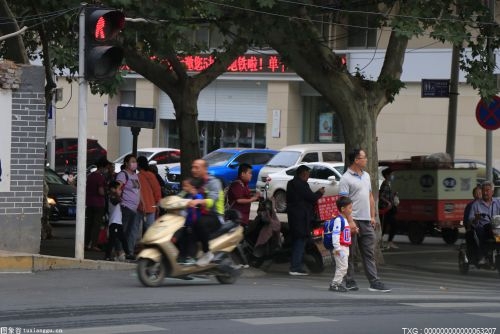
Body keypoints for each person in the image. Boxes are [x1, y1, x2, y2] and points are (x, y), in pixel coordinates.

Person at [339, 148, 391, 292]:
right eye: (364, 157)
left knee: (369, 252)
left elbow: (370, 197)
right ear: (356, 160)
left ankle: (374, 281)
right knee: (350, 252)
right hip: (352, 220)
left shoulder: (366, 176)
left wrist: (372, 216)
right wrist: (349, 221)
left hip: (366, 221)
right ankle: (349, 280)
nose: (366, 159)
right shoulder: (345, 178)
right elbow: (342, 203)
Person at [286, 164, 325, 276]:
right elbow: (311, 197)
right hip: (301, 219)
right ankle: (295, 267)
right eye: (308, 174)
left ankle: (296, 265)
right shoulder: (301, 184)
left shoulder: (291, 183)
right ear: (303, 174)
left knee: (298, 241)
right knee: (300, 241)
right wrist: (319, 193)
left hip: (295, 218)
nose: (308, 176)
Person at [186, 159, 225, 266]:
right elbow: (184, 194)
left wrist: (198, 201)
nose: (193, 170)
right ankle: (188, 257)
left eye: (197, 167)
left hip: (215, 216)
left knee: (198, 223)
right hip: (201, 214)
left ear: (205, 169)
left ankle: (207, 253)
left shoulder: (214, 182)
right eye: (192, 167)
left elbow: (212, 201)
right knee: (185, 226)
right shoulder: (196, 182)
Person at [467, 181, 500, 264]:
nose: (485, 193)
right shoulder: (475, 205)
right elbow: (470, 220)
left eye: (487, 190)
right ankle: (483, 255)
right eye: (483, 190)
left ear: (492, 192)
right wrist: (476, 218)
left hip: (496, 227)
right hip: (482, 228)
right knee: (481, 232)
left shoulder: (498, 202)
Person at [115, 154, 141, 260]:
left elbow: (139, 191)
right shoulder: (123, 175)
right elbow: (117, 188)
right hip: (125, 207)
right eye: (132, 161)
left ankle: (127, 252)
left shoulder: (135, 175)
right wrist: (120, 199)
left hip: (134, 208)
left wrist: (141, 203)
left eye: (135, 161)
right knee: (123, 231)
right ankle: (119, 252)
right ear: (126, 163)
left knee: (129, 232)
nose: (135, 163)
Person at [328, 196, 354, 292]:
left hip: (344, 247)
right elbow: (336, 234)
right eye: (350, 208)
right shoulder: (339, 220)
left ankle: (337, 283)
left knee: (342, 267)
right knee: (343, 267)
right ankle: (335, 284)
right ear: (343, 209)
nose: (351, 210)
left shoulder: (345, 220)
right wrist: (337, 248)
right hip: (340, 248)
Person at [176, 178, 204, 265]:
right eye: (183, 186)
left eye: (186, 186)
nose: (184, 188)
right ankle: (182, 257)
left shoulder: (198, 197)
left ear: (194, 188)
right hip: (187, 223)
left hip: (194, 223)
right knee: (181, 238)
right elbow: (178, 199)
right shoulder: (187, 196)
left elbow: (198, 203)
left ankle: (191, 257)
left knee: (190, 238)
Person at [85, 156, 109, 251]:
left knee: (89, 224)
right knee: (96, 225)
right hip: (98, 204)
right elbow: (101, 192)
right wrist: (108, 192)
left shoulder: (90, 176)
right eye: (106, 167)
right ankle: (94, 245)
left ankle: (86, 244)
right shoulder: (100, 177)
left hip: (89, 203)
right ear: (102, 167)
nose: (107, 169)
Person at [104, 181, 129, 261]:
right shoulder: (112, 197)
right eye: (118, 189)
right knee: (112, 240)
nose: (120, 190)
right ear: (112, 189)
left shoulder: (115, 196)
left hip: (118, 222)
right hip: (114, 222)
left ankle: (128, 254)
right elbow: (116, 201)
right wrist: (117, 194)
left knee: (123, 239)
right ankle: (107, 256)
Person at [136, 156, 162, 234]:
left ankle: (137, 245)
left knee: (136, 230)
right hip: (151, 206)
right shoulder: (151, 175)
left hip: (138, 207)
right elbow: (157, 190)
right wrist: (158, 203)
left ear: (138, 165)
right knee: (149, 231)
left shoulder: (136, 177)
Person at [379, 168, 398, 249]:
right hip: (385, 209)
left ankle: (389, 242)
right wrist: (388, 202)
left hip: (390, 209)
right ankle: (380, 243)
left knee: (393, 225)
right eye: (391, 174)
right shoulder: (385, 184)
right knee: (383, 226)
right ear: (387, 175)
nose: (392, 176)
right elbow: (381, 196)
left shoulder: (390, 184)